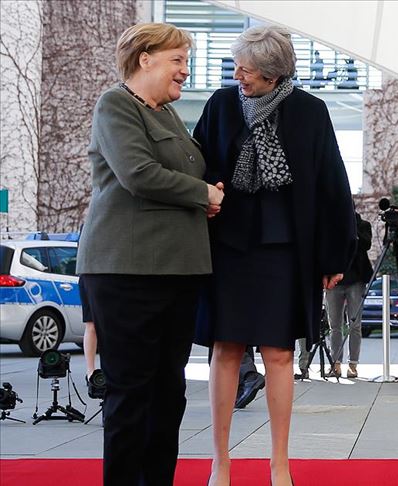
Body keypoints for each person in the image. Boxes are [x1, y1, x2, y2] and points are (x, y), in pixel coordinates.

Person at [193, 25, 356, 485]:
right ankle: (220, 462)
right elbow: (196, 163)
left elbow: (332, 185)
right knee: (225, 348)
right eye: (237, 67)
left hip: (285, 249)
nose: (237, 75)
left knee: (279, 353)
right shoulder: (221, 105)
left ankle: (279, 464)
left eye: (245, 69)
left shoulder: (309, 111)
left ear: (272, 73)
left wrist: (334, 257)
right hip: (227, 246)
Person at [76, 23, 224, 486]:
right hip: (127, 271)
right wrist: (202, 192)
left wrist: (206, 194)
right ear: (145, 59)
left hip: (179, 270)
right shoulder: (115, 104)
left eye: (186, 60)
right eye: (177, 60)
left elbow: (176, 178)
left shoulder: (169, 115)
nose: (185, 70)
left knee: (169, 393)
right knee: (131, 392)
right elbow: (138, 173)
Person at [325, 211, 373, 378]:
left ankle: (353, 363)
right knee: (334, 325)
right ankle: (335, 363)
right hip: (334, 281)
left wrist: (352, 228)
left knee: (355, 325)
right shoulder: (332, 226)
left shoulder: (363, 225)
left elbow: (366, 245)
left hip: (356, 280)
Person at [78, 279, 105, 399]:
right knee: (91, 325)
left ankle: (110, 370)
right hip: (91, 278)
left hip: (112, 278)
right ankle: (90, 372)